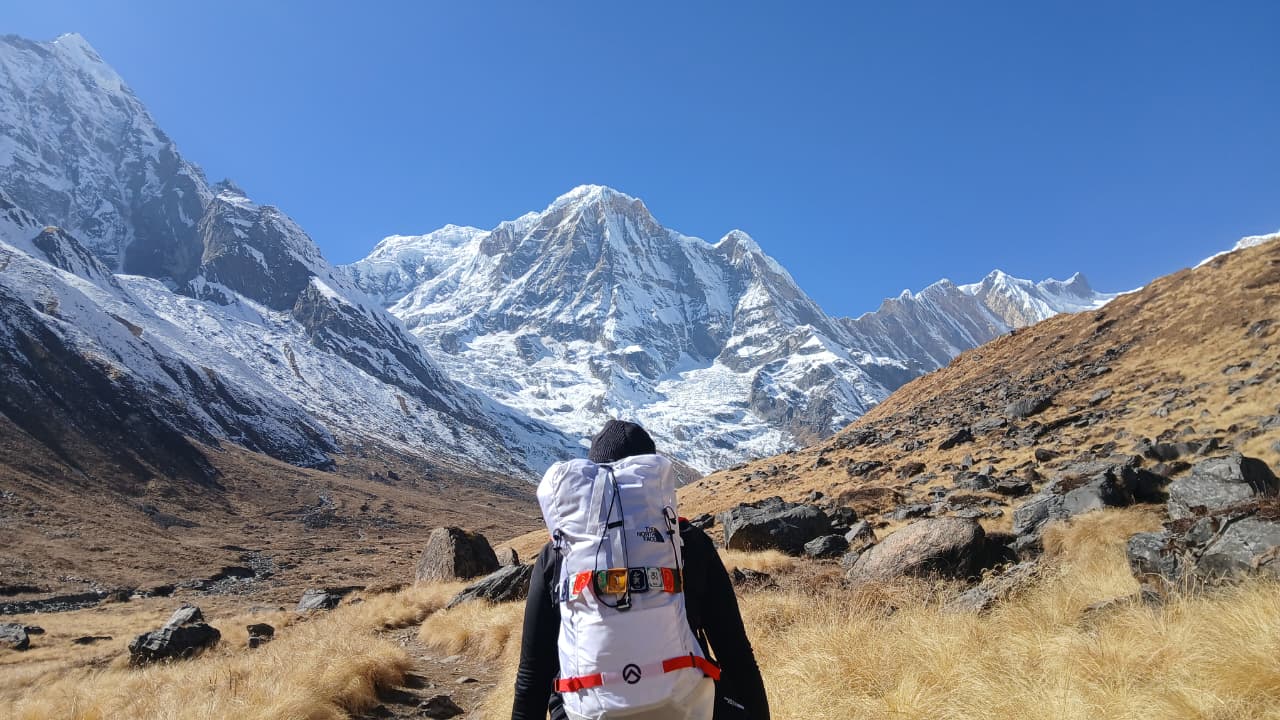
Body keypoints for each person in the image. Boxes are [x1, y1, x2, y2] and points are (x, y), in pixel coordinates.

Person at [511, 420, 770, 720]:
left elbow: (532, 676)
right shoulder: (690, 543)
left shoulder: (559, 553)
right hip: (684, 707)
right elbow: (736, 655)